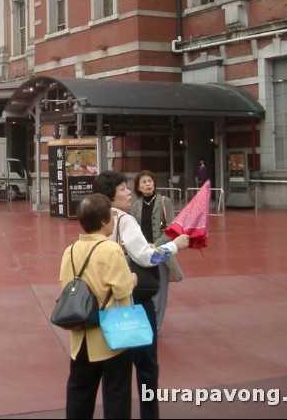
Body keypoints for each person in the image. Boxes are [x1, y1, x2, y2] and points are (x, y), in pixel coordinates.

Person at [92, 171, 189, 420]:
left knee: (115, 370)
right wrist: (173, 247)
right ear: (110, 195)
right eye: (123, 189)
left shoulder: (96, 220)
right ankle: (149, 414)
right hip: (135, 302)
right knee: (146, 366)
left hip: (107, 302)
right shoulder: (125, 220)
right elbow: (146, 257)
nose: (128, 193)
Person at [62, 193, 135, 419]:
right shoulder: (110, 249)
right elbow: (123, 290)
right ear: (104, 222)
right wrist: (133, 279)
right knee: (116, 392)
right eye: (111, 216)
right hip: (112, 335)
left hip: (81, 335)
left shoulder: (70, 250)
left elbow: (66, 286)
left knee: (79, 392)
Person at [130, 170, 184, 332]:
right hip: (141, 252)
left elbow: (171, 227)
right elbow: (133, 228)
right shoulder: (135, 204)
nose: (148, 185)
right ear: (138, 187)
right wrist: (141, 245)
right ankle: (142, 320)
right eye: (144, 182)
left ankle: (155, 326)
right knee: (141, 287)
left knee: (160, 290)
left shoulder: (164, 201)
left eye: (150, 181)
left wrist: (157, 244)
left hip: (160, 251)